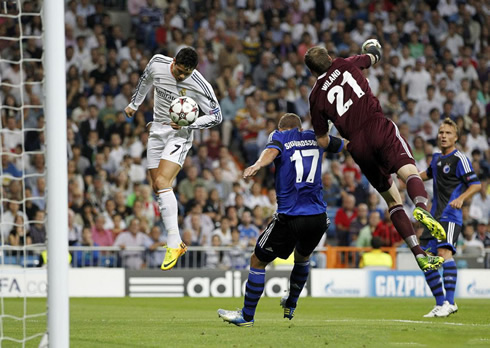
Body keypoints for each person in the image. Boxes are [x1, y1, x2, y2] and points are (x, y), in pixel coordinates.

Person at [304, 43, 445, 272]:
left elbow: (322, 140)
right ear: (330, 57)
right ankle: (421, 207)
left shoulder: (315, 97)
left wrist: (345, 145)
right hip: (377, 125)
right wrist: (372, 47)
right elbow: (374, 56)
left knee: (392, 201)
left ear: (311, 72)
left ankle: (419, 254)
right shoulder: (345, 63)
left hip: (358, 146)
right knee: (409, 171)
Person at [217, 113, 344, 327]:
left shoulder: (281, 136)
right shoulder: (317, 137)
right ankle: (291, 303)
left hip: (291, 215)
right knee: (303, 257)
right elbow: (344, 146)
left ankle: (247, 316)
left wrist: (258, 165)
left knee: (257, 260)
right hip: (318, 217)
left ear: (282, 128)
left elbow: (271, 151)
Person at [125, 47, 222, 270]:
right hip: (156, 131)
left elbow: (217, 116)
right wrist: (134, 104)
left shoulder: (200, 84)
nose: (181, 77)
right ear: (174, 61)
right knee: (157, 186)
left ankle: (174, 241)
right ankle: (174, 239)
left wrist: (191, 123)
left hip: (180, 133)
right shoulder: (158, 62)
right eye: (179, 71)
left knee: (162, 182)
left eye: (186, 74)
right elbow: (145, 80)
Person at [419, 118, 481, 318]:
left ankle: (450, 302)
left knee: (445, 253)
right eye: (441, 132)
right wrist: (403, 175)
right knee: (426, 260)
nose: (443, 136)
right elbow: (425, 175)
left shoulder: (460, 158)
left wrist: (462, 198)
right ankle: (439, 304)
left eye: (447, 133)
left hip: (450, 215)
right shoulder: (436, 158)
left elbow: (476, 184)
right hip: (433, 216)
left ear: (456, 137)